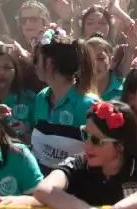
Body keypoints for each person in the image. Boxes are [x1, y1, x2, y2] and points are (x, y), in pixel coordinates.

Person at [31, 29, 99, 172]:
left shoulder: (89, 105)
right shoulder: (41, 98)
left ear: (49, 63)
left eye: (37, 59)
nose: (34, 65)